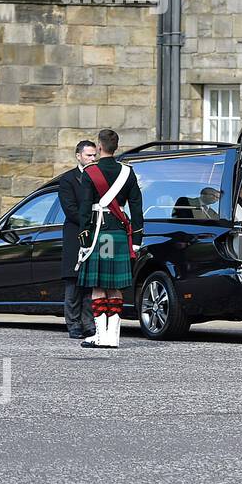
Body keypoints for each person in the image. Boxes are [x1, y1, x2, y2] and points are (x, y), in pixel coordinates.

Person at [76, 128, 143, 349]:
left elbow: (85, 208)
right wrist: (137, 238)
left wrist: (84, 238)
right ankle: (112, 337)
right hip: (119, 233)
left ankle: (101, 336)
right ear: (116, 147)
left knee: (98, 286)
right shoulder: (128, 172)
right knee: (115, 286)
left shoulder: (90, 172)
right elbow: (136, 207)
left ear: (99, 147)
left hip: (99, 233)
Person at [58, 139, 98, 342]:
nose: (92, 158)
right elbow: (70, 209)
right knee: (73, 282)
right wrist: (89, 223)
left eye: (94, 155)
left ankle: (89, 324)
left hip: (95, 232)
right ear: (78, 156)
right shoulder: (68, 180)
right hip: (75, 234)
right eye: (89, 155)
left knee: (89, 283)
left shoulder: (98, 178)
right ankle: (73, 324)